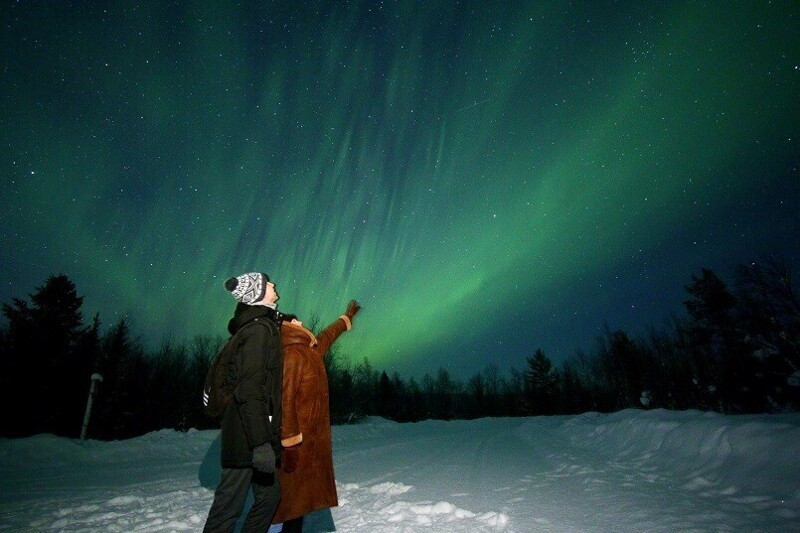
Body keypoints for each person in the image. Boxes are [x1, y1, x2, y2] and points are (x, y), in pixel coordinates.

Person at [203, 272, 286, 533]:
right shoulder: (258, 332)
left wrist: (286, 320)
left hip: (252, 434)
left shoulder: (260, 326)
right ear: (258, 294)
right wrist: (261, 444)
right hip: (245, 439)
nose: (273, 284)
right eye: (267, 283)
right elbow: (249, 389)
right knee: (227, 510)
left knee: (269, 497)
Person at [272, 300, 361, 532]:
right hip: (299, 444)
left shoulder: (309, 351)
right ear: (287, 327)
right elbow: (285, 400)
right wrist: (290, 444)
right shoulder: (291, 354)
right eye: (295, 320)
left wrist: (345, 319)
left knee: (304, 502)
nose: (300, 322)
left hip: (312, 443)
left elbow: (327, 336)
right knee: (290, 504)